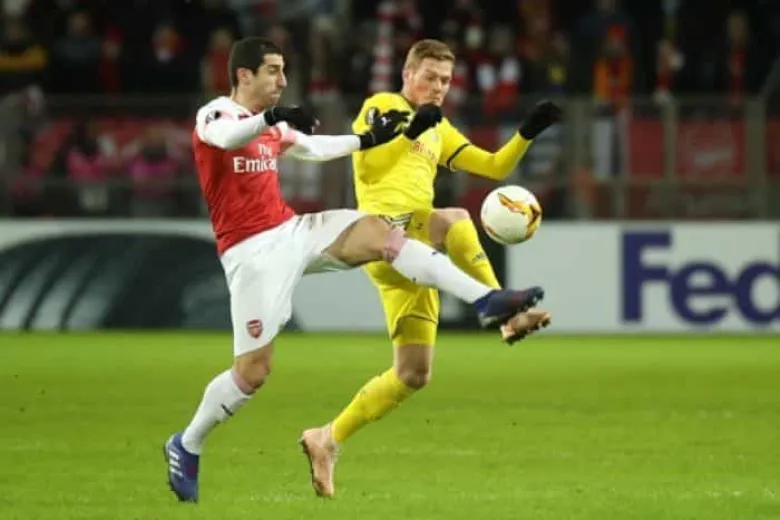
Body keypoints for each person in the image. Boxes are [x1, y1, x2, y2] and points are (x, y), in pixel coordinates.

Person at [163, 36, 547, 503]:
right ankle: (187, 443)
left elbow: (315, 147)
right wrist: (273, 117)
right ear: (244, 75)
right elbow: (227, 139)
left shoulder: (275, 129)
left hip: (292, 229)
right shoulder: (216, 115)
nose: (283, 80)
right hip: (252, 252)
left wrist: (365, 139)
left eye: (283, 70)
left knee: (384, 239)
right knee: (252, 373)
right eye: (273, 71)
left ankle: (487, 299)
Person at [298, 39, 561, 498]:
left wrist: (527, 131)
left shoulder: (439, 128)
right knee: (455, 218)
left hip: (415, 255)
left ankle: (327, 438)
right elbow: (370, 166)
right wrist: (410, 130)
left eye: (445, 80)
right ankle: (507, 313)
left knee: (413, 374)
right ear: (408, 74)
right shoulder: (383, 106)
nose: (438, 87)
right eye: (430, 77)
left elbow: (494, 167)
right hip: (383, 232)